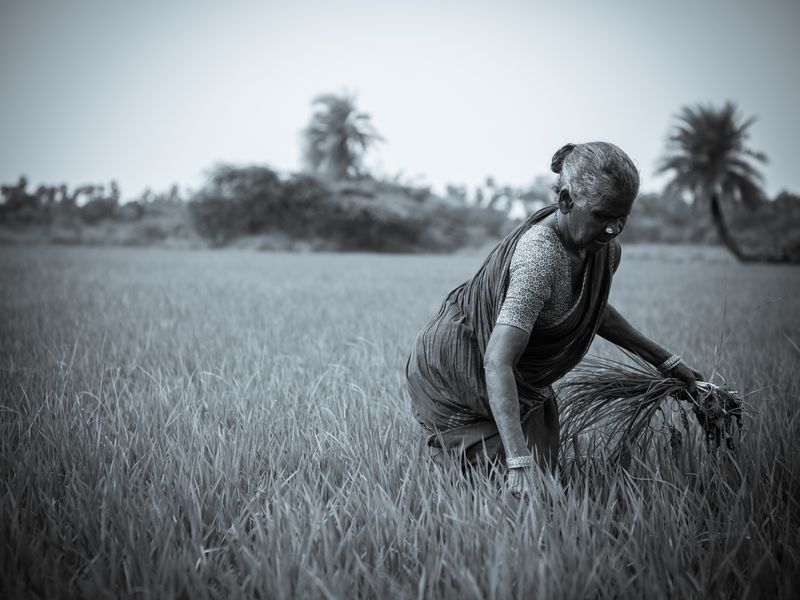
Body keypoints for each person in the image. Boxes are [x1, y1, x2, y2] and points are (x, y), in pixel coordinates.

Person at [405, 142, 703, 499]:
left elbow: (589, 309)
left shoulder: (603, 250)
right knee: (501, 490)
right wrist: (517, 461)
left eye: (622, 217)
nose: (613, 230)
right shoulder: (540, 257)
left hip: (514, 378)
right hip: (457, 373)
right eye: (602, 215)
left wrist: (668, 362)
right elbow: (497, 359)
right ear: (565, 201)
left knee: (542, 486)